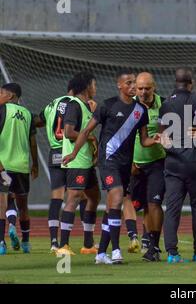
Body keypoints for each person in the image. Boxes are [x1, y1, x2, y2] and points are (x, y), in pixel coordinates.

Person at [63, 69, 160, 264]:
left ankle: (100, 254)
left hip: (125, 166)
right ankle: (116, 251)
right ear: (120, 86)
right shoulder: (107, 105)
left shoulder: (141, 111)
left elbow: (144, 140)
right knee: (116, 198)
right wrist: (74, 153)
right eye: (129, 83)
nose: (133, 87)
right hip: (108, 161)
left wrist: (158, 139)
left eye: (135, 83)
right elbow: (86, 130)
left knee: (111, 208)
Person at [159, 67, 196, 263]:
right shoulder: (195, 99)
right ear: (190, 83)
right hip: (194, 161)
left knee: (172, 208)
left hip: (173, 164)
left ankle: (172, 254)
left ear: (176, 82)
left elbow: (162, 133)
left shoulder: (165, 104)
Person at [35, 77, 92, 252]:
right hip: (71, 151)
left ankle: (54, 241)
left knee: (57, 196)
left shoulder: (53, 103)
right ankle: (87, 240)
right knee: (81, 195)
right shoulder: (77, 104)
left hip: (55, 153)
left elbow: (39, 121)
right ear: (80, 89)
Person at [56, 72, 101, 256]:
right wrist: (90, 137)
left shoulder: (85, 106)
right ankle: (63, 246)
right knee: (73, 198)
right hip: (76, 162)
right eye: (94, 84)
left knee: (94, 197)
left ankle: (88, 244)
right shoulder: (74, 105)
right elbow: (68, 132)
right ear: (87, 87)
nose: (95, 88)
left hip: (86, 162)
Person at [125, 72, 166, 261]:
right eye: (140, 88)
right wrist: (129, 161)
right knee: (128, 203)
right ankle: (111, 246)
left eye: (147, 88)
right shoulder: (128, 105)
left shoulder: (164, 105)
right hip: (133, 164)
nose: (143, 92)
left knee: (154, 204)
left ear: (154, 87)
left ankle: (153, 246)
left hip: (157, 162)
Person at [0, 83, 38, 255]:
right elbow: (33, 142)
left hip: (4, 166)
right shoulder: (28, 115)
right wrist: (35, 164)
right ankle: (26, 243)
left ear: (10, 95)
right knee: (23, 206)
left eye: (1, 92)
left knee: (3, 203)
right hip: (22, 167)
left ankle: (2, 243)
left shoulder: (1, 110)